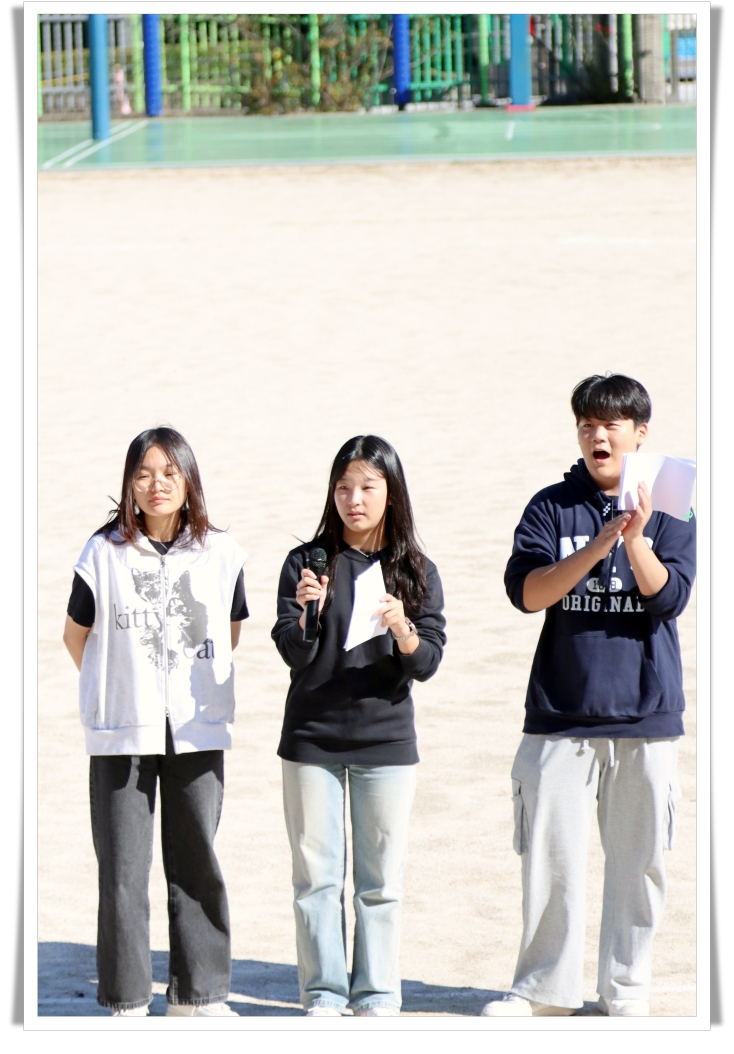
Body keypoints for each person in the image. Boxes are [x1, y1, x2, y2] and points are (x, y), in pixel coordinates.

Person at [482, 374, 696, 1019]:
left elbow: (669, 597)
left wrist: (632, 538)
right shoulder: (551, 506)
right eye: (586, 425)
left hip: (645, 714)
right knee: (551, 863)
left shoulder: (675, 504)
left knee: (639, 864)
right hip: (559, 713)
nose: (597, 436)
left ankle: (625, 990)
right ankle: (543, 991)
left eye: (610, 425)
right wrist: (599, 544)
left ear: (639, 433)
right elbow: (528, 594)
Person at [63, 427, 249, 1017]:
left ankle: (199, 996)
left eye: (169, 472)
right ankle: (126, 1000)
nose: (156, 484)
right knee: (123, 868)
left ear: (190, 480)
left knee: (197, 859)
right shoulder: (103, 552)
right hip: (121, 729)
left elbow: (230, 631)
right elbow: (75, 635)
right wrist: (121, 685)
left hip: (197, 726)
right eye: (143, 474)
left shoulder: (222, 553)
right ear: (128, 484)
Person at [271, 435, 447, 1017]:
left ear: (391, 493)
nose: (354, 499)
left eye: (368, 487)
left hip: (386, 741)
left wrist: (403, 628)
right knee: (316, 878)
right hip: (311, 739)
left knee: (380, 882)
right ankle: (323, 993)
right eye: (344, 487)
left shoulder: (415, 570)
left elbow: (427, 662)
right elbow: (293, 652)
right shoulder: (307, 563)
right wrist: (308, 614)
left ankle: (376, 994)